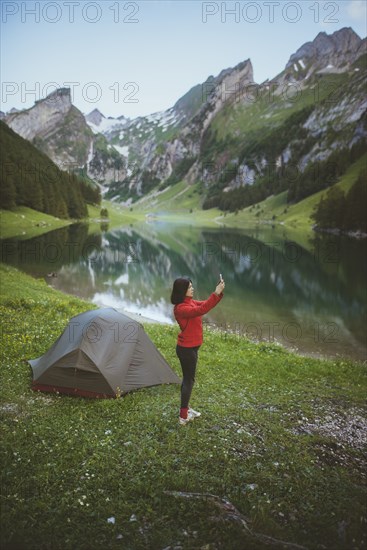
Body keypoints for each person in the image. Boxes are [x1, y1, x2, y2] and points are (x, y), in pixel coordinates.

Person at [170, 276, 225, 425]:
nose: (192, 289)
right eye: (189, 287)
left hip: (192, 348)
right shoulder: (181, 308)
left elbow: (207, 304)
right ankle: (183, 416)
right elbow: (202, 309)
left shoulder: (190, 303)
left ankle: (185, 410)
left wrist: (218, 293)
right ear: (182, 291)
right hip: (186, 350)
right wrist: (216, 292)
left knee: (188, 379)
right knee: (189, 380)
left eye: (192, 286)